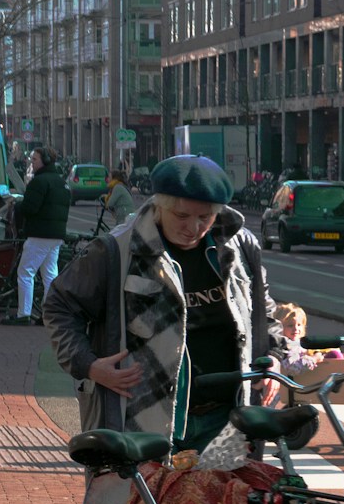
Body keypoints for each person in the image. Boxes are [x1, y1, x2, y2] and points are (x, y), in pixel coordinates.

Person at [44, 154, 282, 457]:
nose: (193, 228)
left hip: (226, 422)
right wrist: (88, 365)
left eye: (204, 217)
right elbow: (59, 306)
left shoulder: (240, 248)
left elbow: (264, 312)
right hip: (142, 422)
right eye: (182, 216)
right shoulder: (115, 251)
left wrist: (273, 357)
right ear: (159, 206)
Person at [1, 146, 70, 326]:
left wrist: (17, 206)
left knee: (25, 272)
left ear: (45, 161)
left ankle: (24, 314)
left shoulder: (39, 182)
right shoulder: (61, 182)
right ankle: (49, 314)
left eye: (35, 160)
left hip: (39, 233)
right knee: (49, 274)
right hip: (56, 235)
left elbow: (30, 208)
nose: (32, 163)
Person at [276, 302, 344, 374]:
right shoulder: (286, 346)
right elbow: (293, 367)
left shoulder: (299, 343)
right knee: (335, 356)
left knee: (334, 354)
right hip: (298, 381)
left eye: (299, 325)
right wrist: (314, 358)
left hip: (307, 375)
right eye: (290, 325)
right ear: (279, 327)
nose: (296, 328)